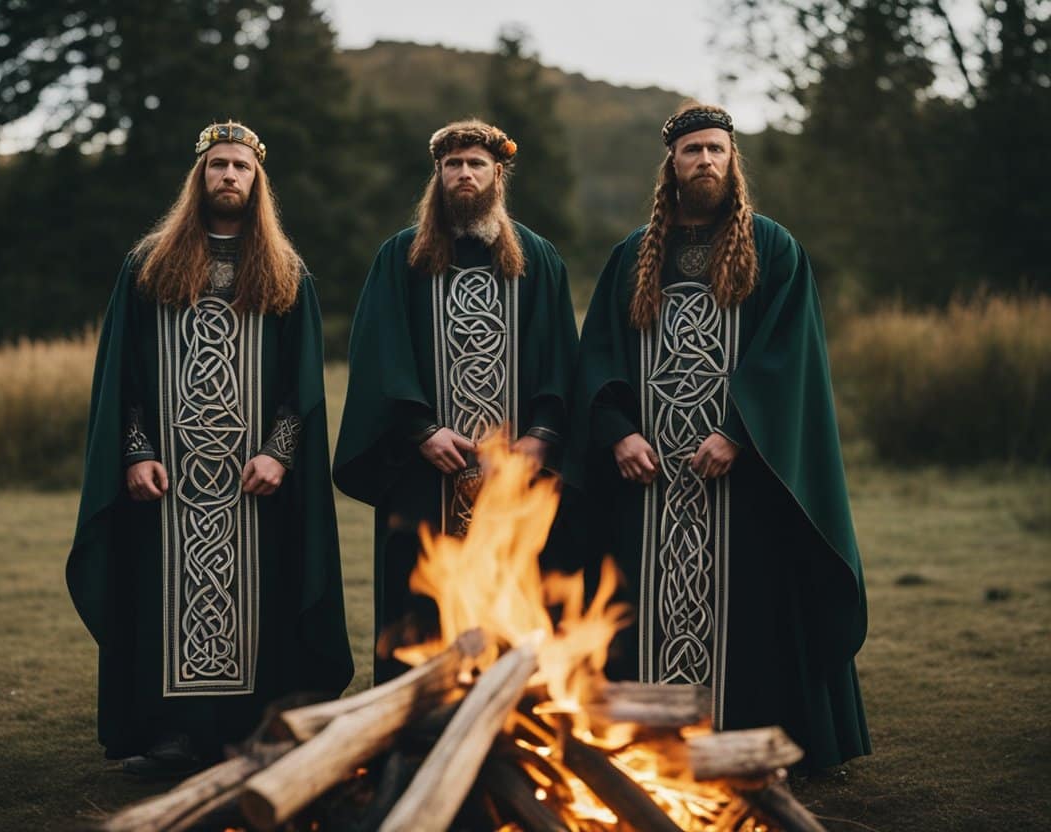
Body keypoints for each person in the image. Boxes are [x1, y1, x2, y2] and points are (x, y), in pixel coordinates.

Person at [567, 102, 870, 769]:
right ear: (671, 165)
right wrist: (618, 433)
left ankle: (749, 746)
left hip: (746, 485)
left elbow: (789, 356)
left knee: (751, 614)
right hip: (648, 485)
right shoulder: (632, 256)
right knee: (642, 609)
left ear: (733, 160)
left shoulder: (773, 248)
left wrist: (737, 433)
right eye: (691, 150)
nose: (704, 160)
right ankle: (650, 745)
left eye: (715, 149)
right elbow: (598, 354)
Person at [67, 120, 353, 775]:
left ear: (258, 181)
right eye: (218, 164)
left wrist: (279, 452)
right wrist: (136, 450)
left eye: (241, 167)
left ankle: (249, 730)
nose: (229, 175)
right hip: (167, 480)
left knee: (261, 602)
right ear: (200, 176)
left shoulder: (285, 271)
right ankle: (171, 734)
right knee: (161, 599)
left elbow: (302, 382)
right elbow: (123, 374)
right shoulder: (148, 265)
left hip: (254, 481)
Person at [333, 119, 579, 682]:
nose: (464, 174)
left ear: (498, 175)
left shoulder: (538, 259)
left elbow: (560, 355)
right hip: (423, 474)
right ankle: (414, 716)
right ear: (438, 175)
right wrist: (421, 430)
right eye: (453, 165)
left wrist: (540, 438)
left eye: (476, 164)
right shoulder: (401, 257)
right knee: (419, 610)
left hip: (514, 476)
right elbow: (379, 353)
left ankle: (512, 717)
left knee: (516, 601)